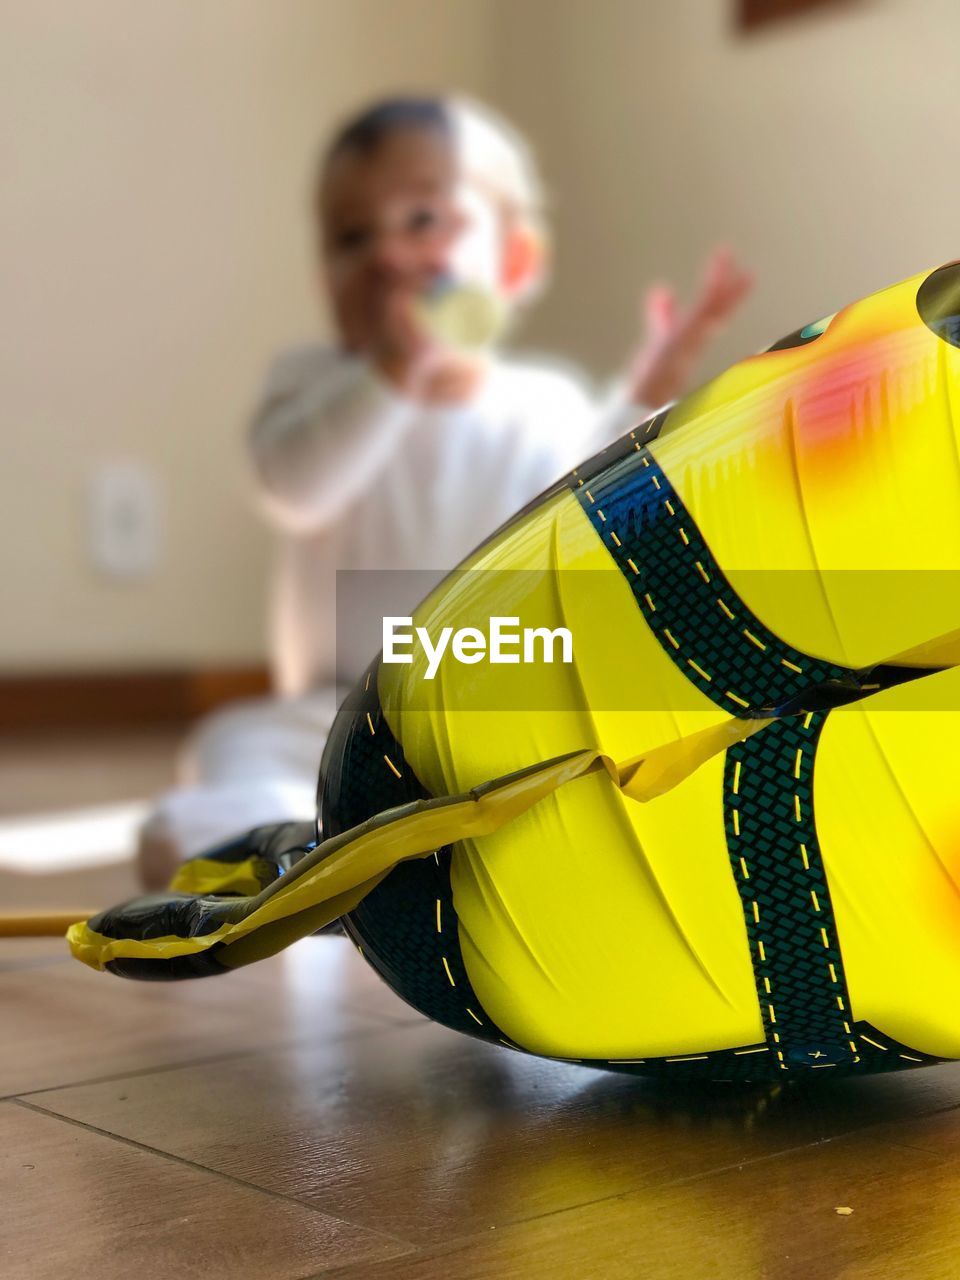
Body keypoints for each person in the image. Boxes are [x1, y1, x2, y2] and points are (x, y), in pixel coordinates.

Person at [137, 95, 752, 887]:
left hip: (492, 704)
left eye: (423, 220)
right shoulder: (311, 386)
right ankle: (271, 857)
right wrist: (395, 370)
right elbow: (293, 487)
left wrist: (654, 386)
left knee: (588, 749)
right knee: (230, 742)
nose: (388, 257)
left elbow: (598, 502)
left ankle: (448, 861)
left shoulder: (544, 406)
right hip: (334, 714)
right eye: (352, 238)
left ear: (515, 263)